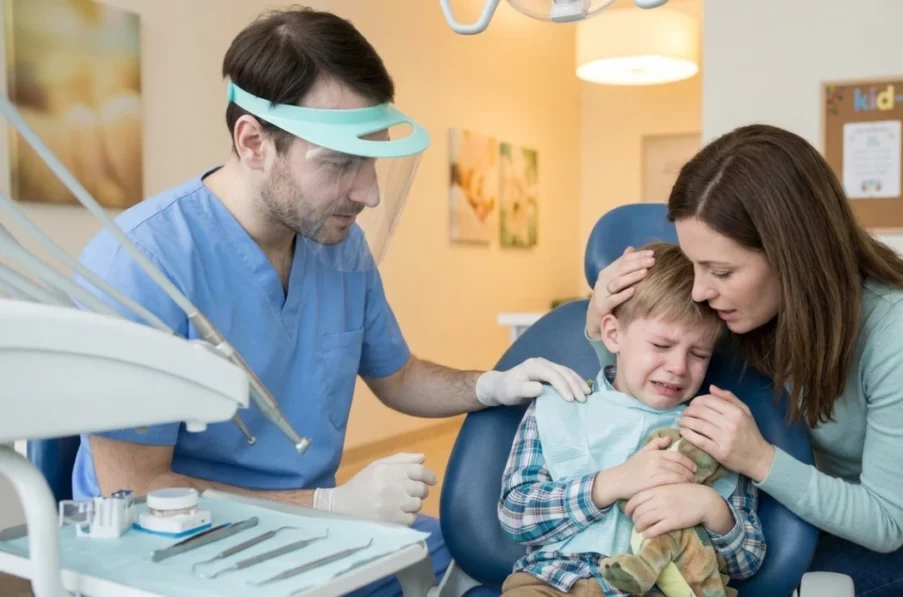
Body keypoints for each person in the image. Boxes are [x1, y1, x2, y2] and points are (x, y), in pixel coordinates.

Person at [70, 7, 590, 596]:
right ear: (254, 143)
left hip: (312, 530)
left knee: (500, 565)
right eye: (341, 163)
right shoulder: (141, 262)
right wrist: (328, 505)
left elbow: (398, 376)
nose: (368, 193)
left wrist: (492, 385)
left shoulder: (337, 246)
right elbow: (137, 489)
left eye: (370, 162)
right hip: (179, 549)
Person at [586, 124, 903, 596]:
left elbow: (886, 522)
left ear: (791, 255)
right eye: (695, 264)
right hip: (815, 512)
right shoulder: (752, 309)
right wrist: (599, 320)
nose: (700, 290)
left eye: (720, 271)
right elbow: (657, 383)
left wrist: (757, 458)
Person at [499, 242, 766, 596]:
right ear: (613, 334)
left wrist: (710, 507)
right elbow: (516, 516)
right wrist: (610, 484)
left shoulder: (712, 432)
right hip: (552, 582)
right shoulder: (558, 408)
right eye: (660, 346)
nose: (678, 367)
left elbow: (748, 560)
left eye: (699, 354)